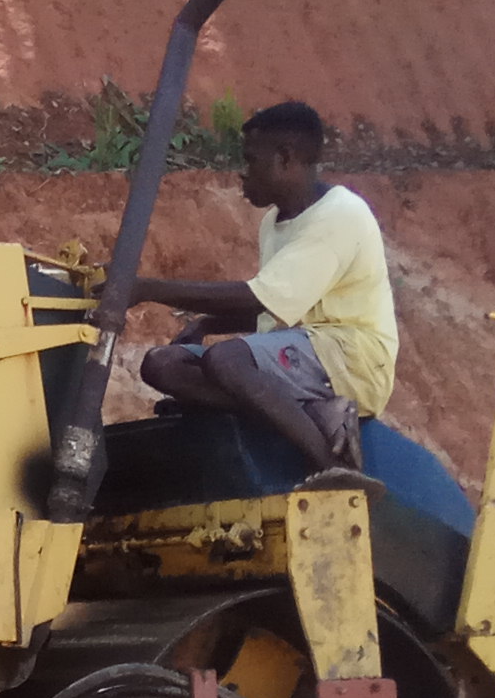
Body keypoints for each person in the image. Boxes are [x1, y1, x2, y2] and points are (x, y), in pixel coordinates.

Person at [132, 100, 394, 473]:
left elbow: (258, 296)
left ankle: (334, 466)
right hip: (302, 350)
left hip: (351, 357)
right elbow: (276, 305)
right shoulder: (274, 222)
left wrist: (147, 289)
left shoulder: (339, 215)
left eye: (251, 160)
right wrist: (208, 325)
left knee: (225, 359)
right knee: (162, 365)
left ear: (285, 158)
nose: (243, 173)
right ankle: (313, 411)